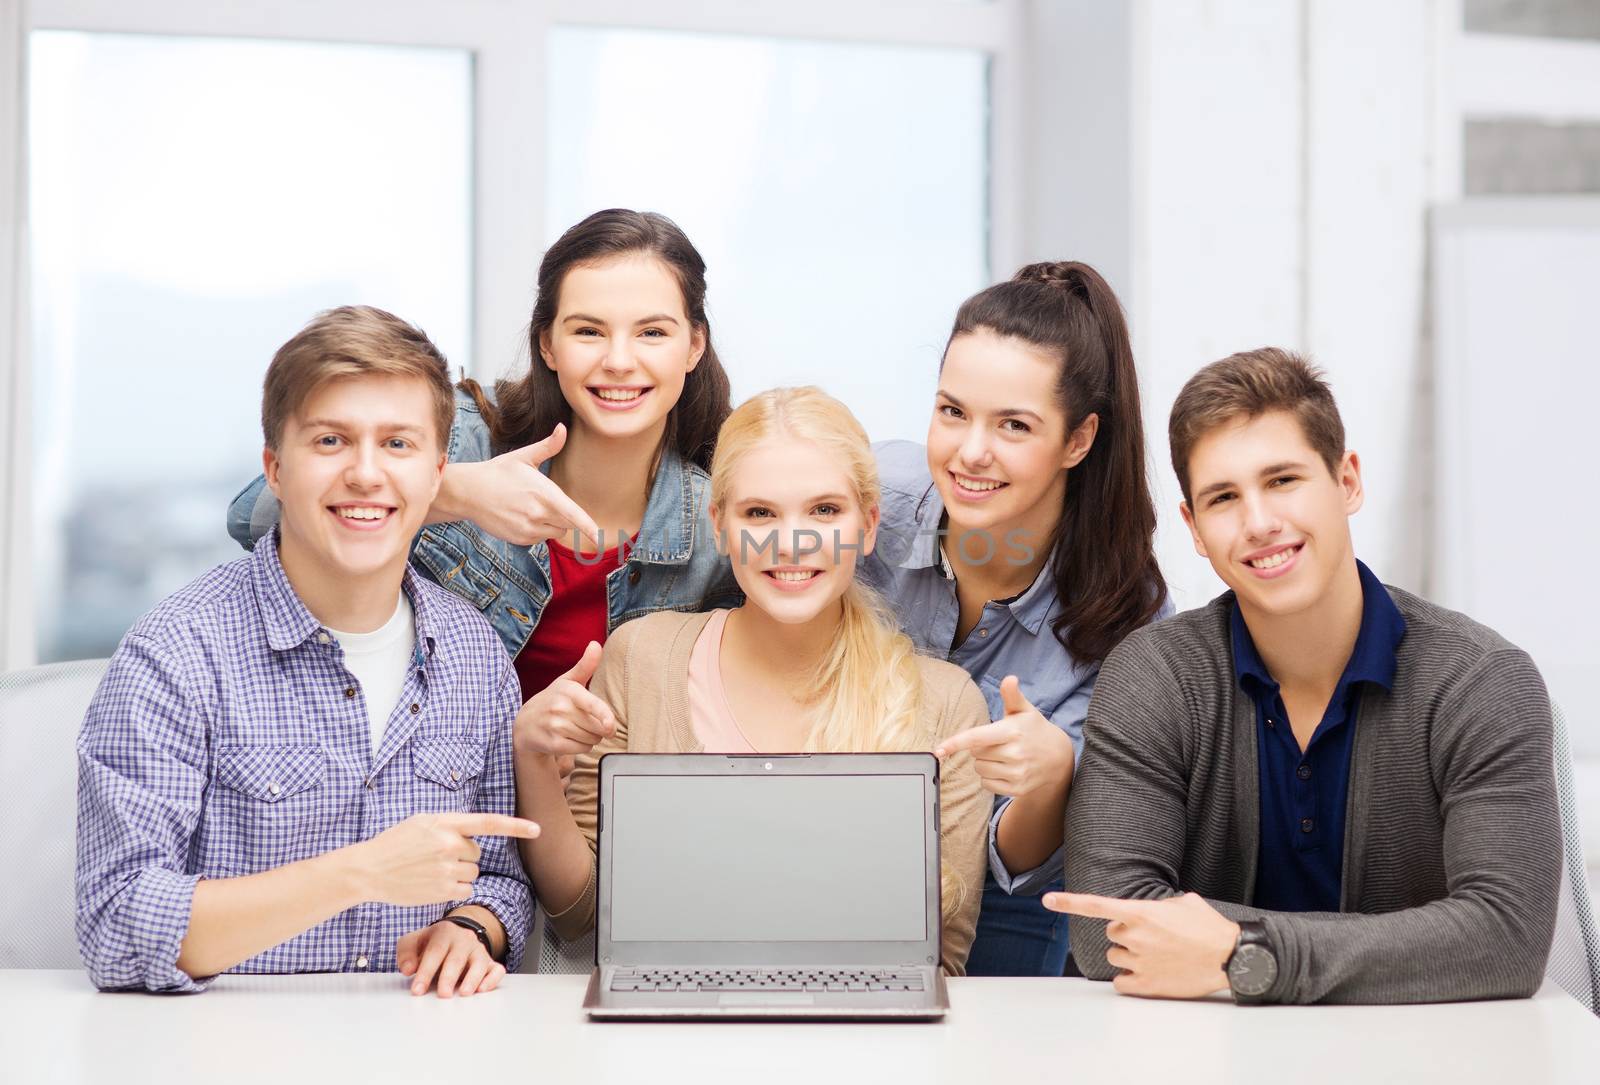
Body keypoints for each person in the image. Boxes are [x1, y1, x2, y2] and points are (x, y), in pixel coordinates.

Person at [1050, 348, 1560, 1004]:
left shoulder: (1481, 682)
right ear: (1195, 529)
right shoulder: (1152, 678)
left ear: (1346, 481)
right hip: (1194, 1056)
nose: (1259, 522)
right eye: (1224, 497)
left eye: (1283, 479)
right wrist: (1410, 943)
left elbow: (1505, 938)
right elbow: (1105, 930)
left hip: (1420, 1054)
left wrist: (1246, 954)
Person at [76, 306, 539, 995]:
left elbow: (501, 877)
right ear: (274, 467)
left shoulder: (475, 652)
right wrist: (360, 872)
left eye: (398, 445)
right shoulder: (175, 651)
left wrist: (472, 926)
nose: (365, 473)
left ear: (438, 472)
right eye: (330, 440)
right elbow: (117, 924)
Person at [515, 387, 991, 973]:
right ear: (720, 525)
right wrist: (532, 760)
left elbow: (940, 964)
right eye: (760, 513)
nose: (791, 542)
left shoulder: (946, 704)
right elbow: (578, 914)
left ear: (867, 526)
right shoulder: (640, 659)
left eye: (824, 510)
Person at [227, 209, 741, 713]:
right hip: (432, 786)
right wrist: (452, 491)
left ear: (694, 346)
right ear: (549, 344)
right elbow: (254, 515)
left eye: (653, 333)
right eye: (589, 331)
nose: (620, 361)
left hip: (591, 796)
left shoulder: (718, 523)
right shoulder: (464, 435)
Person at [861, 261, 1169, 976]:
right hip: (837, 863)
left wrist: (1054, 776)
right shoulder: (871, 499)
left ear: (1078, 440)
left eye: (1014, 425)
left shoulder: (1131, 620)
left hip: (1008, 912)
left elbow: (1021, 861)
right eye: (952, 411)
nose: (971, 451)